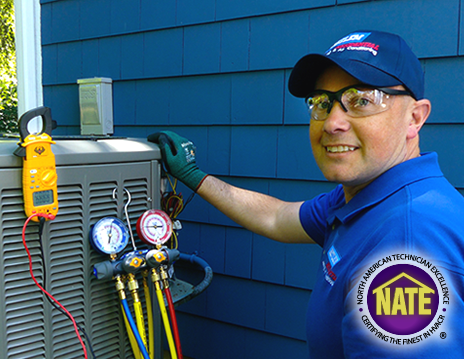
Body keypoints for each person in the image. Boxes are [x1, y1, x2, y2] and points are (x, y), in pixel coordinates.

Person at [148, 30, 464, 358]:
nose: (332, 123)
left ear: (415, 117)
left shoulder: (406, 243)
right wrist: (194, 176)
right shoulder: (368, 197)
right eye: (322, 103)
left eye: (361, 100)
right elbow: (276, 217)